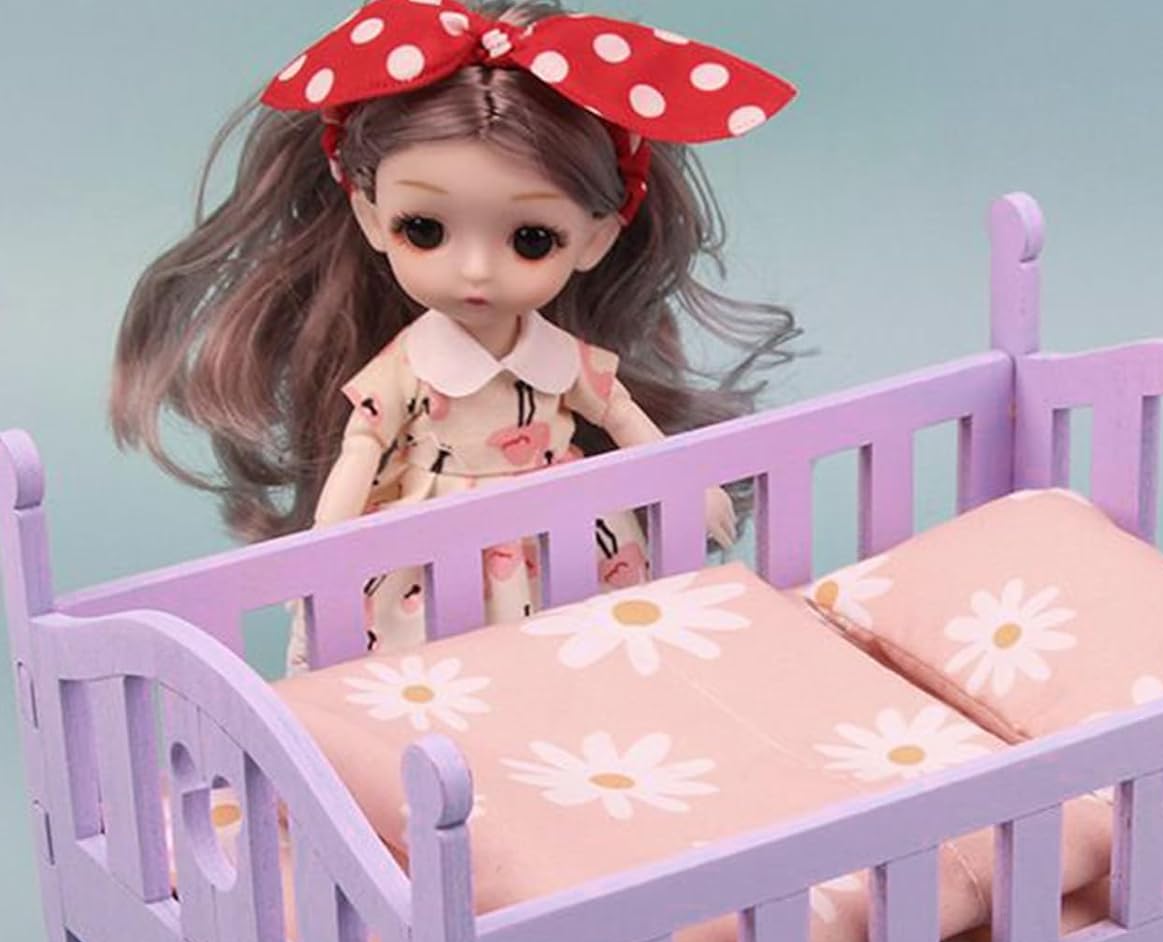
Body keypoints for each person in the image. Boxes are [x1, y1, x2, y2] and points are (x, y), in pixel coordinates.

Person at [110, 0, 800, 663]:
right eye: (425, 229)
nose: (474, 270)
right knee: (427, 674)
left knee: (588, 656)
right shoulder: (406, 368)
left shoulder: (562, 360)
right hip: (427, 547)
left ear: (596, 238)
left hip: (563, 537)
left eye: (532, 239)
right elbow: (362, 448)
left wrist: (691, 489)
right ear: (371, 215)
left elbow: (620, 416)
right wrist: (322, 551)